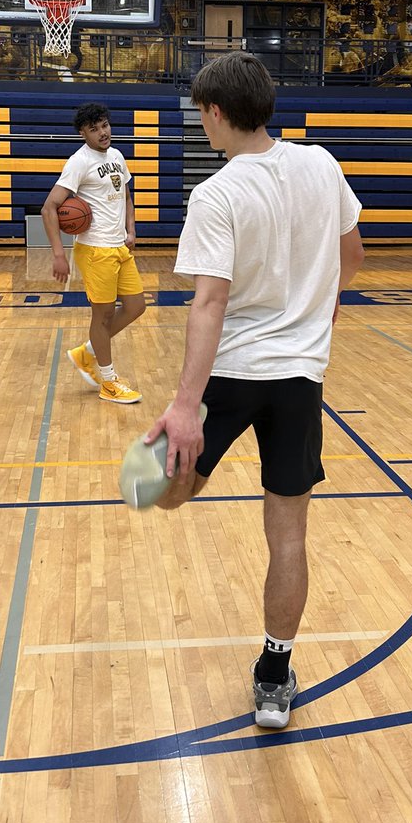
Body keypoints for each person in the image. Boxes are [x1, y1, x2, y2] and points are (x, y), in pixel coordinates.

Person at [145, 52, 365, 728]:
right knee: (289, 533)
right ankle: (275, 676)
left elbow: (209, 301)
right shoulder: (323, 166)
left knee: (156, 484)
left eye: (199, 115)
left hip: (237, 370)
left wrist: (186, 406)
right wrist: (316, 312)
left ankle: (186, 477)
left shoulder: (217, 193)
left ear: (215, 112)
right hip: (301, 377)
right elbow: (352, 259)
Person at [41, 102, 146, 403]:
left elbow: (125, 193)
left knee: (137, 306)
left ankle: (87, 352)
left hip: (118, 247)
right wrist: (58, 254)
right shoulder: (79, 162)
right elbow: (49, 207)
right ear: (82, 133)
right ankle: (109, 382)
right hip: (95, 250)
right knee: (103, 316)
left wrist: (131, 229)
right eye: (94, 129)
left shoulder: (116, 156)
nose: (102, 132)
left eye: (105, 125)